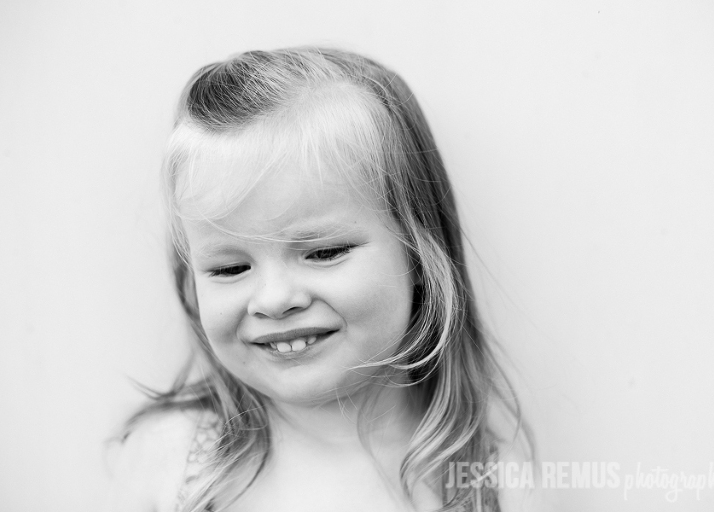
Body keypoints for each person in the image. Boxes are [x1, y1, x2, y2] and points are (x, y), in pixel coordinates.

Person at [108, 47, 530, 512]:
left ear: (420, 256)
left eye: (324, 253)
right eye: (230, 269)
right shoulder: (167, 461)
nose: (274, 300)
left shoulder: (492, 485)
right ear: (191, 283)